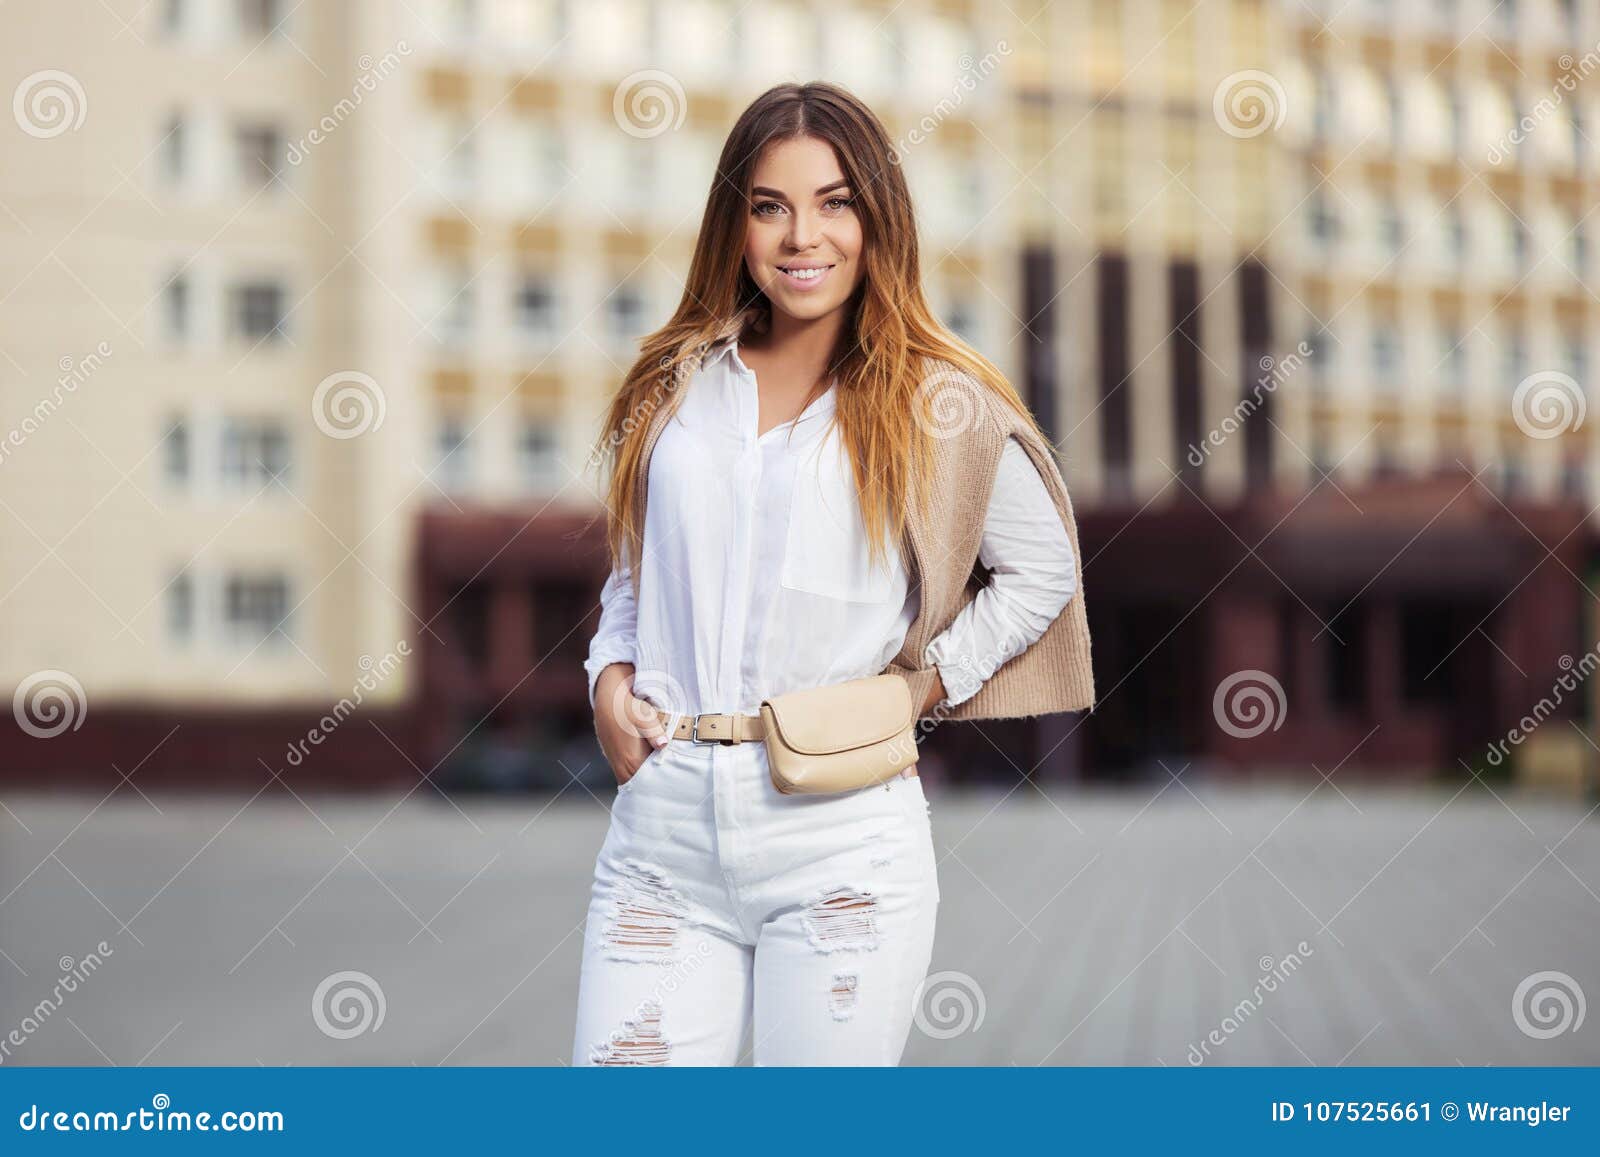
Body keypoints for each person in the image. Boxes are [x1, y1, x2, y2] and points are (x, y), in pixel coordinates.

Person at [572, 81, 1095, 1066]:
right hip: (659, 840)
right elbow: (639, 565)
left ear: (876, 220)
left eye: (834, 203)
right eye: (769, 205)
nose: (800, 235)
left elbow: (1041, 568)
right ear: (733, 225)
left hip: (841, 844)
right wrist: (607, 676)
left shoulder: (937, 399)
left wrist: (921, 686)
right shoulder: (673, 383)